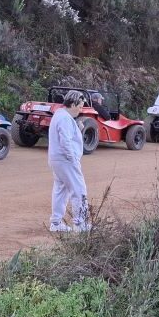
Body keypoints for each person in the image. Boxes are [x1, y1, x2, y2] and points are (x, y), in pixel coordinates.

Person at [48, 89, 90, 232]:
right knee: (79, 190)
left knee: (61, 190)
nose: (80, 109)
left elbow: (66, 135)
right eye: (80, 106)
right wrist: (73, 159)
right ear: (72, 104)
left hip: (57, 159)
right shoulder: (65, 118)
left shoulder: (61, 116)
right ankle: (80, 224)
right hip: (65, 160)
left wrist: (76, 127)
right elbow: (65, 140)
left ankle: (56, 223)